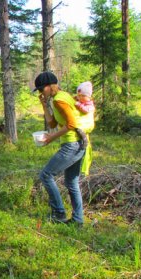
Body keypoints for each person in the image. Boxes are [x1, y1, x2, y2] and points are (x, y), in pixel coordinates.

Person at [34, 71, 87, 226]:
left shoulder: (59, 100)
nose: (40, 92)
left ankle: (59, 213)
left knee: (46, 175)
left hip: (72, 145)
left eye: (41, 89)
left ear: (51, 86)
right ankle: (78, 220)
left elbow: (71, 124)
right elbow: (52, 124)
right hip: (79, 143)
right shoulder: (61, 97)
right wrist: (44, 105)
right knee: (72, 181)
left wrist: (51, 138)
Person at [75, 81, 96, 176]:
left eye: (82, 96)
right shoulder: (82, 101)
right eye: (79, 96)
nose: (80, 98)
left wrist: (79, 105)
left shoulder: (89, 105)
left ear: (88, 96)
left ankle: (84, 140)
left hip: (86, 127)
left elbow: (86, 110)